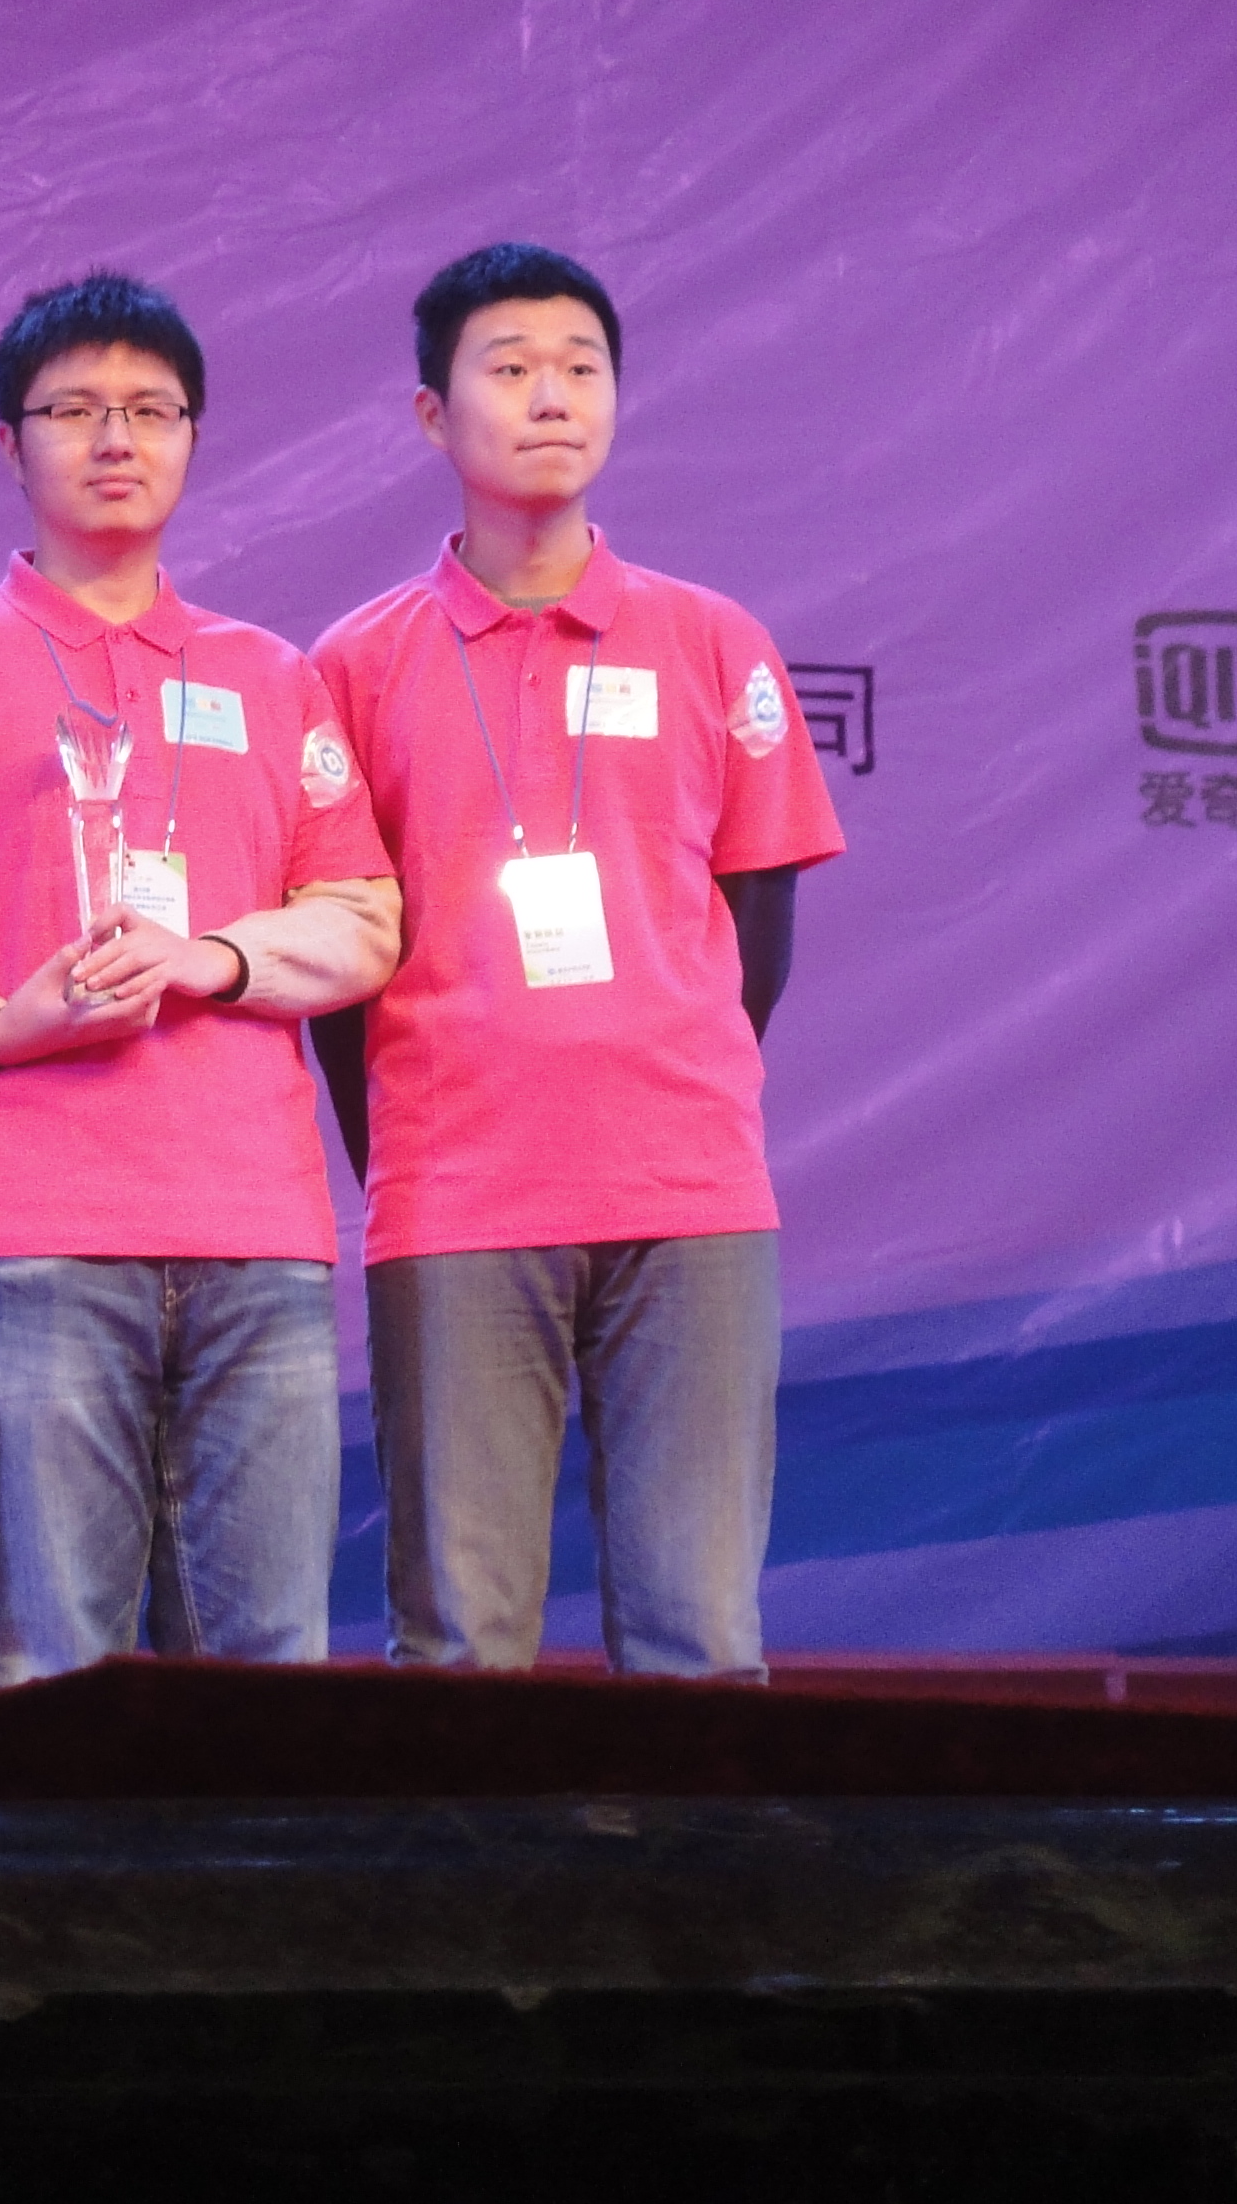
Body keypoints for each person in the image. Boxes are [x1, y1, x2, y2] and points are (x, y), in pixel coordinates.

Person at [0, 274, 400, 1691]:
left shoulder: (269, 675)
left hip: (258, 1232)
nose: (117, 437)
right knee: (50, 1668)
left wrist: (216, 958)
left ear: (193, 436)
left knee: (265, 1670)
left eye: (151, 409)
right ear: (7, 443)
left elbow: (364, 919)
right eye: (75, 409)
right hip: (27, 1229)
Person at [308, 242, 844, 1680]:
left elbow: (759, 930)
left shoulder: (714, 641)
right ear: (434, 414)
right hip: (458, 1195)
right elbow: (340, 966)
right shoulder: (353, 668)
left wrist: (659, 1073)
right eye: (511, 368)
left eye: (582, 367)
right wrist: (419, 1138)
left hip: (691, 1196)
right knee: (460, 1644)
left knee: (699, 1639)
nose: (552, 396)